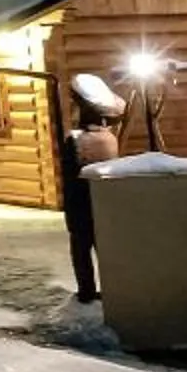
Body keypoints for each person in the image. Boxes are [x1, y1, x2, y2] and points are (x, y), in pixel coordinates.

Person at [61, 104, 120, 302]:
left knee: (81, 250)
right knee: (104, 249)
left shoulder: (75, 139)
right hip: (104, 201)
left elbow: (69, 173)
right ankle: (113, 287)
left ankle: (86, 291)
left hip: (79, 201)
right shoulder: (110, 139)